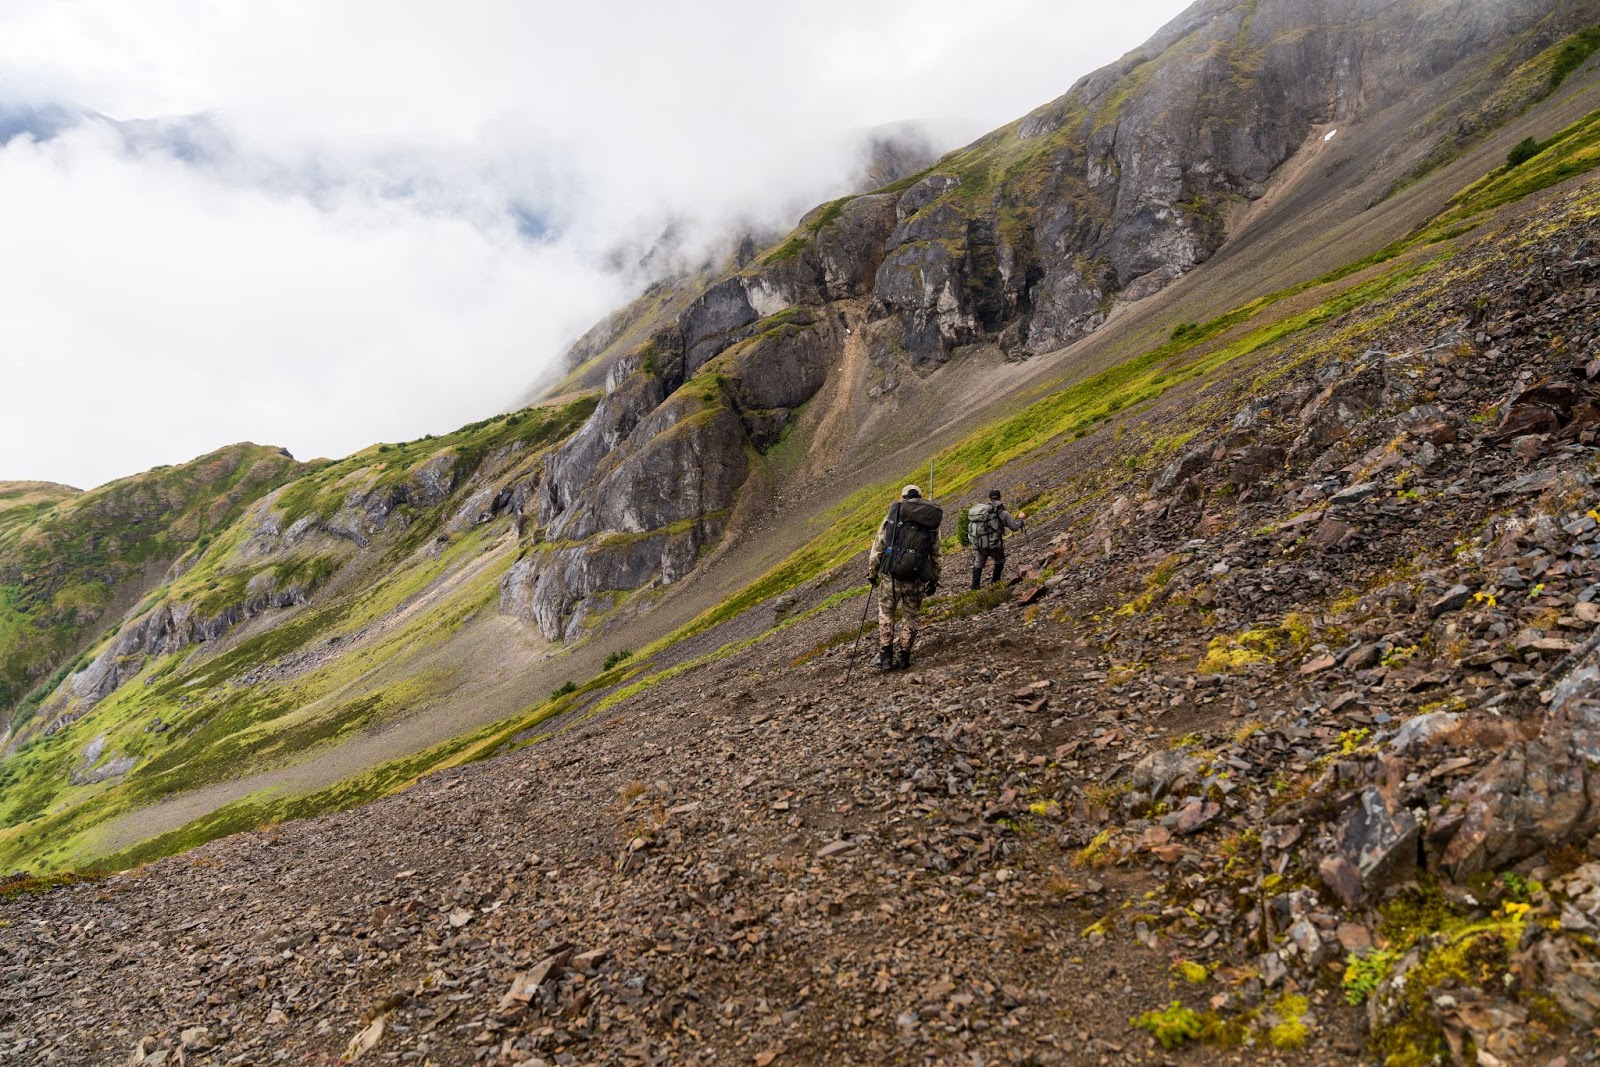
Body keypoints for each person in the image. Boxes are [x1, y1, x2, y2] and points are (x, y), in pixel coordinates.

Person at [867, 485, 942, 671]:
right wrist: (934, 579)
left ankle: (886, 658)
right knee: (910, 617)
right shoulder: (930, 523)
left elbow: (878, 547)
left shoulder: (893, 517)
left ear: (902, 497)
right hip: (916, 579)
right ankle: (904, 658)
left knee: (886, 614)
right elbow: (936, 555)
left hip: (891, 578)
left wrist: (872, 572)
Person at [967, 488, 1025, 589]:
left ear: (989, 498)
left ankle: (974, 587)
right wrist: (1020, 519)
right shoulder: (1003, 512)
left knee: (978, 564)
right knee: (999, 561)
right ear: (1000, 497)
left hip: (981, 543)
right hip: (995, 544)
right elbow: (1014, 527)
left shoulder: (982, 512)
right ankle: (994, 584)